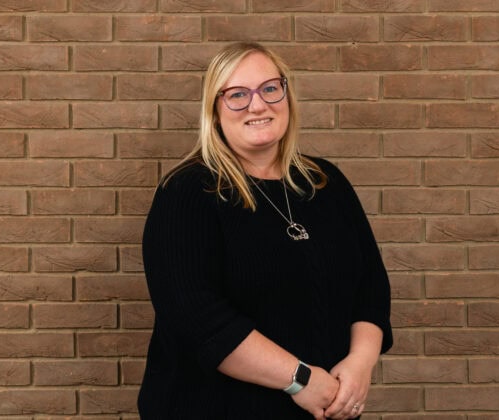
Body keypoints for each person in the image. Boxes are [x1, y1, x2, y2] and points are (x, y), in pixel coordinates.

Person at [137, 41, 393, 419]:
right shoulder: (187, 192)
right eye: (238, 95)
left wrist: (360, 364)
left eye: (270, 88)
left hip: (325, 409)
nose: (257, 105)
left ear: (287, 96)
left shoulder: (326, 183)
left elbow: (371, 288)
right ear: (215, 110)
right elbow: (196, 318)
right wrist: (300, 379)